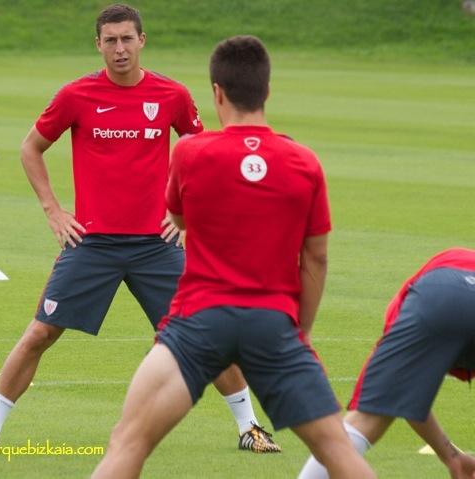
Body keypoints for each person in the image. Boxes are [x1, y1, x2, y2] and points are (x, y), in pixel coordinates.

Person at [0, 4, 279, 454]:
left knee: (206, 332)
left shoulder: (171, 95)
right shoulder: (76, 95)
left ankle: (250, 428)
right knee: (41, 332)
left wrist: (185, 216)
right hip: (92, 243)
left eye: (126, 39)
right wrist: (53, 210)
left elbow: (200, 154)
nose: (119, 49)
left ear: (141, 41)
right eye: (110, 40)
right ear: (98, 45)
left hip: (157, 245)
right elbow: (31, 148)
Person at [91, 35, 376, 478]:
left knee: (127, 443)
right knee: (339, 453)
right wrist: (297, 331)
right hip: (274, 323)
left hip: (198, 322)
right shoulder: (304, 162)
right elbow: (315, 259)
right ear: (267, 90)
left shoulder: (189, 152)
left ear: (217, 92)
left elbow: (179, 220)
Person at [299, 248, 475, 479]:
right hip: (436, 286)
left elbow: (404, 393)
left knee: (367, 419)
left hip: (434, 290)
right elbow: (410, 396)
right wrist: (451, 456)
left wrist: (450, 457)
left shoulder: (409, 305)